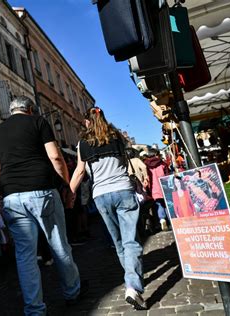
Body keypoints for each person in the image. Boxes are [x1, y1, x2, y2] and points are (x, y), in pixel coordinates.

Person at [0, 96, 84, 315]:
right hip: (42, 190)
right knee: (59, 246)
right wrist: (67, 185)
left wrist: (7, 189)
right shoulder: (38, 122)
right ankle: (72, 292)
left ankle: (34, 309)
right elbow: (55, 157)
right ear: (30, 109)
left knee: (25, 256)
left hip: (12, 196)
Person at [69, 106, 147, 310]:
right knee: (131, 241)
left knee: (119, 242)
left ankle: (131, 282)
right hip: (123, 190)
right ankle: (133, 286)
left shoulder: (82, 144)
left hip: (101, 195)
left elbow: (79, 172)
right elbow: (124, 162)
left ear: (87, 122)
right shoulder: (117, 137)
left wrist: (70, 193)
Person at [144, 150, 170, 231]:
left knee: (158, 204)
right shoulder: (162, 163)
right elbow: (167, 174)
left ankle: (162, 219)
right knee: (167, 204)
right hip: (163, 186)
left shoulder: (146, 165)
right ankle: (170, 220)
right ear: (156, 155)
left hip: (153, 188)